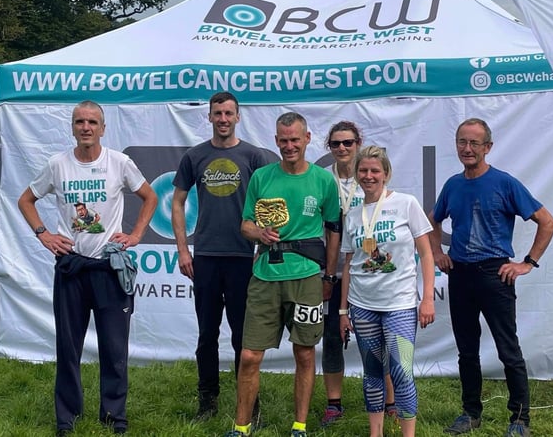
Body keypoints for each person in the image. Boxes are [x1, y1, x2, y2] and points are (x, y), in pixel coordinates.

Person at [17, 100, 157, 436]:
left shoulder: (119, 163)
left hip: (109, 268)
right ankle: (67, 417)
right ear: (72, 127)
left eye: (92, 121)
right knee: (68, 348)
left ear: (103, 128)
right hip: (71, 269)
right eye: (80, 121)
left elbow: (150, 197)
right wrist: (44, 234)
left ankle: (115, 417)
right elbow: (26, 200)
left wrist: (136, 234)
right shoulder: (58, 165)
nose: (86, 127)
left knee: (114, 349)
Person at [428, 118, 553, 437]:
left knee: (507, 348)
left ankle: (520, 419)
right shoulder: (453, 185)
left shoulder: (504, 183)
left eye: (474, 143)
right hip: (460, 274)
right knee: (467, 350)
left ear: (488, 147)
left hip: (494, 274)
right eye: (462, 142)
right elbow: (432, 221)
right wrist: (439, 256)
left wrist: (527, 263)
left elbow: (547, 222)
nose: (467, 149)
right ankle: (470, 413)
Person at [225, 112, 341, 437]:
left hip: (306, 277)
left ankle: (299, 426)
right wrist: (259, 232)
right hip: (265, 275)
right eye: (284, 140)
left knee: (304, 353)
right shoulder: (262, 177)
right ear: (276, 141)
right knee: (249, 356)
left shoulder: (323, 180)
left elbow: (333, 230)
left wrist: (329, 276)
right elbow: (245, 223)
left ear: (307, 139)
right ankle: (241, 427)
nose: (290, 146)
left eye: (295, 139)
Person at [171, 91, 270, 422]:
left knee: (245, 337)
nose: (223, 119)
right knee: (206, 334)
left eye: (229, 113)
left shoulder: (254, 156)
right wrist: (184, 250)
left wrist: (262, 249)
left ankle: (249, 402)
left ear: (238, 117)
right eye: (218, 113)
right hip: (207, 257)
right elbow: (176, 202)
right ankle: (208, 400)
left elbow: (270, 206)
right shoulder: (195, 156)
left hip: (244, 258)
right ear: (210, 117)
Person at [339, 145, 436, 437]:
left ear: (386, 174)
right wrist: (344, 310)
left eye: (374, 171)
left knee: (401, 372)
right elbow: (348, 264)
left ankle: (408, 434)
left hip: (400, 305)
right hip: (362, 304)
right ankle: (376, 433)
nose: (369, 176)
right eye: (363, 171)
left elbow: (427, 254)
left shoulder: (406, 203)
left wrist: (428, 297)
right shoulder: (353, 215)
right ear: (356, 174)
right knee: (371, 374)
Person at [319, 122, 396, 427]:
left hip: (366, 271)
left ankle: (389, 402)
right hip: (331, 272)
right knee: (331, 336)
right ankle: (334, 403)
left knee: (378, 338)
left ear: (358, 143)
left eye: (348, 143)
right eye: (336, 144)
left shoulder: (368, 177)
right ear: (329, 147)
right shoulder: (323, 181)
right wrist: (326, 272)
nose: (342, 149)